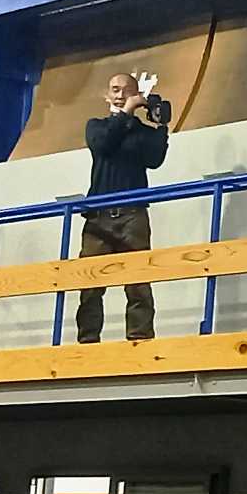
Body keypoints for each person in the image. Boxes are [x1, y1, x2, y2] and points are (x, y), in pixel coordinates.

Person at [77, 72, 168, 343]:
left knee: (138, 281)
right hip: (98, 216)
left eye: (126, 91)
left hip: (133, 214)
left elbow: (155, 159)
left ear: (136, 94)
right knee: (90, 283)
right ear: (107, 94)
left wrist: (161, 126)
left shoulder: (142, 132)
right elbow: (104, 145)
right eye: (115, 89)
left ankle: (140, 338)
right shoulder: (96, 126)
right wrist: (126, 112)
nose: (119, 95)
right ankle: (88, 342)